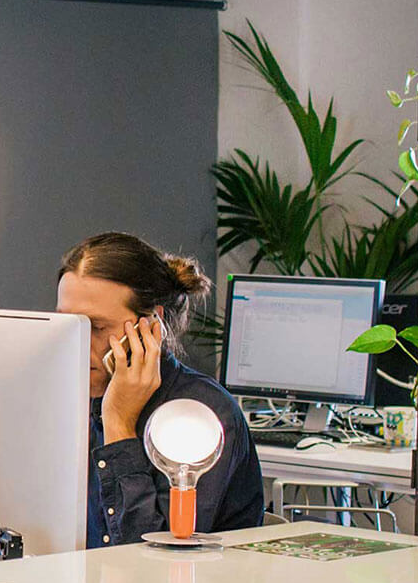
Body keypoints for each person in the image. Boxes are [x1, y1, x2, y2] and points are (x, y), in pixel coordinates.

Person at [55, 232, 263, 547]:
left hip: (182, 580)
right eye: (67, 324)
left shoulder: (198, 414)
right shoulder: (64, 398)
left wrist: (118, 422)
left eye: (96, 327)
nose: (78, 342)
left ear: (153, 325)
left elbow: (153, 559)